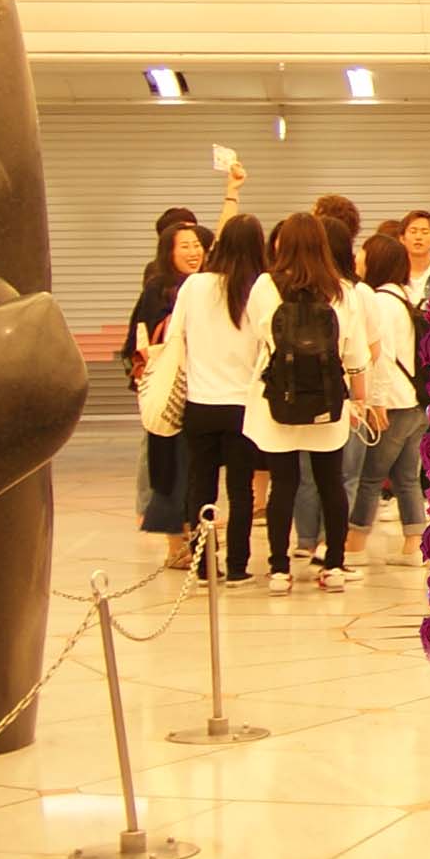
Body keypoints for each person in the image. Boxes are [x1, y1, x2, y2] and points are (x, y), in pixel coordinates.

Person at [250, 211, 368, 594]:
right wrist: (360, 398)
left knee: (283, 484)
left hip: (279, 400)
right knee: (331, 482)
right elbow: (355, 353)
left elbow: (258, 336)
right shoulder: (342, 289)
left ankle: (279, 570)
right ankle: (333, 565)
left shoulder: (266, 285)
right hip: (327, 400)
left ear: (282, 243)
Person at [163, 212, 268, 584]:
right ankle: (238, 566)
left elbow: (174, 336)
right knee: (240, 490)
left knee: (200, 484)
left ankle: (204, 564)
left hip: (200, 401)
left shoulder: (195, 285)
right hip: (243, 405)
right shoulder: (259, 288)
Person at [290, 213, 382, 577]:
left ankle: (305, 540)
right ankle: (329, 544)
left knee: (306, 473)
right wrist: (363, 395)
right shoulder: (356, 292)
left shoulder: (296, 289)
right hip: (345, 396)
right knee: (343, 475)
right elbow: (372, 349)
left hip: (302, 394)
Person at [127, 216, 210, 567]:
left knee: (197, 468)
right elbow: (140, 339)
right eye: (185, 246)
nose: (193, 252)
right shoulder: (158, 288)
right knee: (170, 467)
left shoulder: (207, 285)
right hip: (170, 389)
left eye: (197, 245)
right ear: (169, 252)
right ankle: (175, 545)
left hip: (203, 388)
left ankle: (195, 536)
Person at [353, 231, 430, 568]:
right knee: (406, 476)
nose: (358, 257)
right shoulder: (403, 295)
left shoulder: (380, 302)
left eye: (364, 252)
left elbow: (380, 356)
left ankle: (354, 544)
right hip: (414, 400)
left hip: (394, 402)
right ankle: (414, 545)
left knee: (370, 476)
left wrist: (376, 400)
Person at [401, 208, 430, 303]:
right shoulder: (392, 275)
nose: (418, 237)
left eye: (425, 232)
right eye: (413, 231)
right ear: (402, 239)